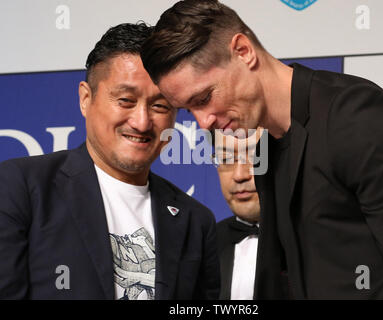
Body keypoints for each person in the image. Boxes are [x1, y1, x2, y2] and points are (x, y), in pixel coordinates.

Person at [141, 0, 383, 299]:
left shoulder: (356, 116)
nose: (203, 122)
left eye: (204, 98)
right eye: (189, 110)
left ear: (243, 52)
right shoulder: (269, 143)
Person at [0, 22, 220, 300]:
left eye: (160, 106)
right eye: (126, 100)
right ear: (85, 98)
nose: (142, 122)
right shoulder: (20, 188)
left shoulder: (195, 220)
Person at [215, 128, 288, 300]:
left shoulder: (313, 239)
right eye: (226, 159)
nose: (240, 175)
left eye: (255, 158)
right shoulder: (204, 243)